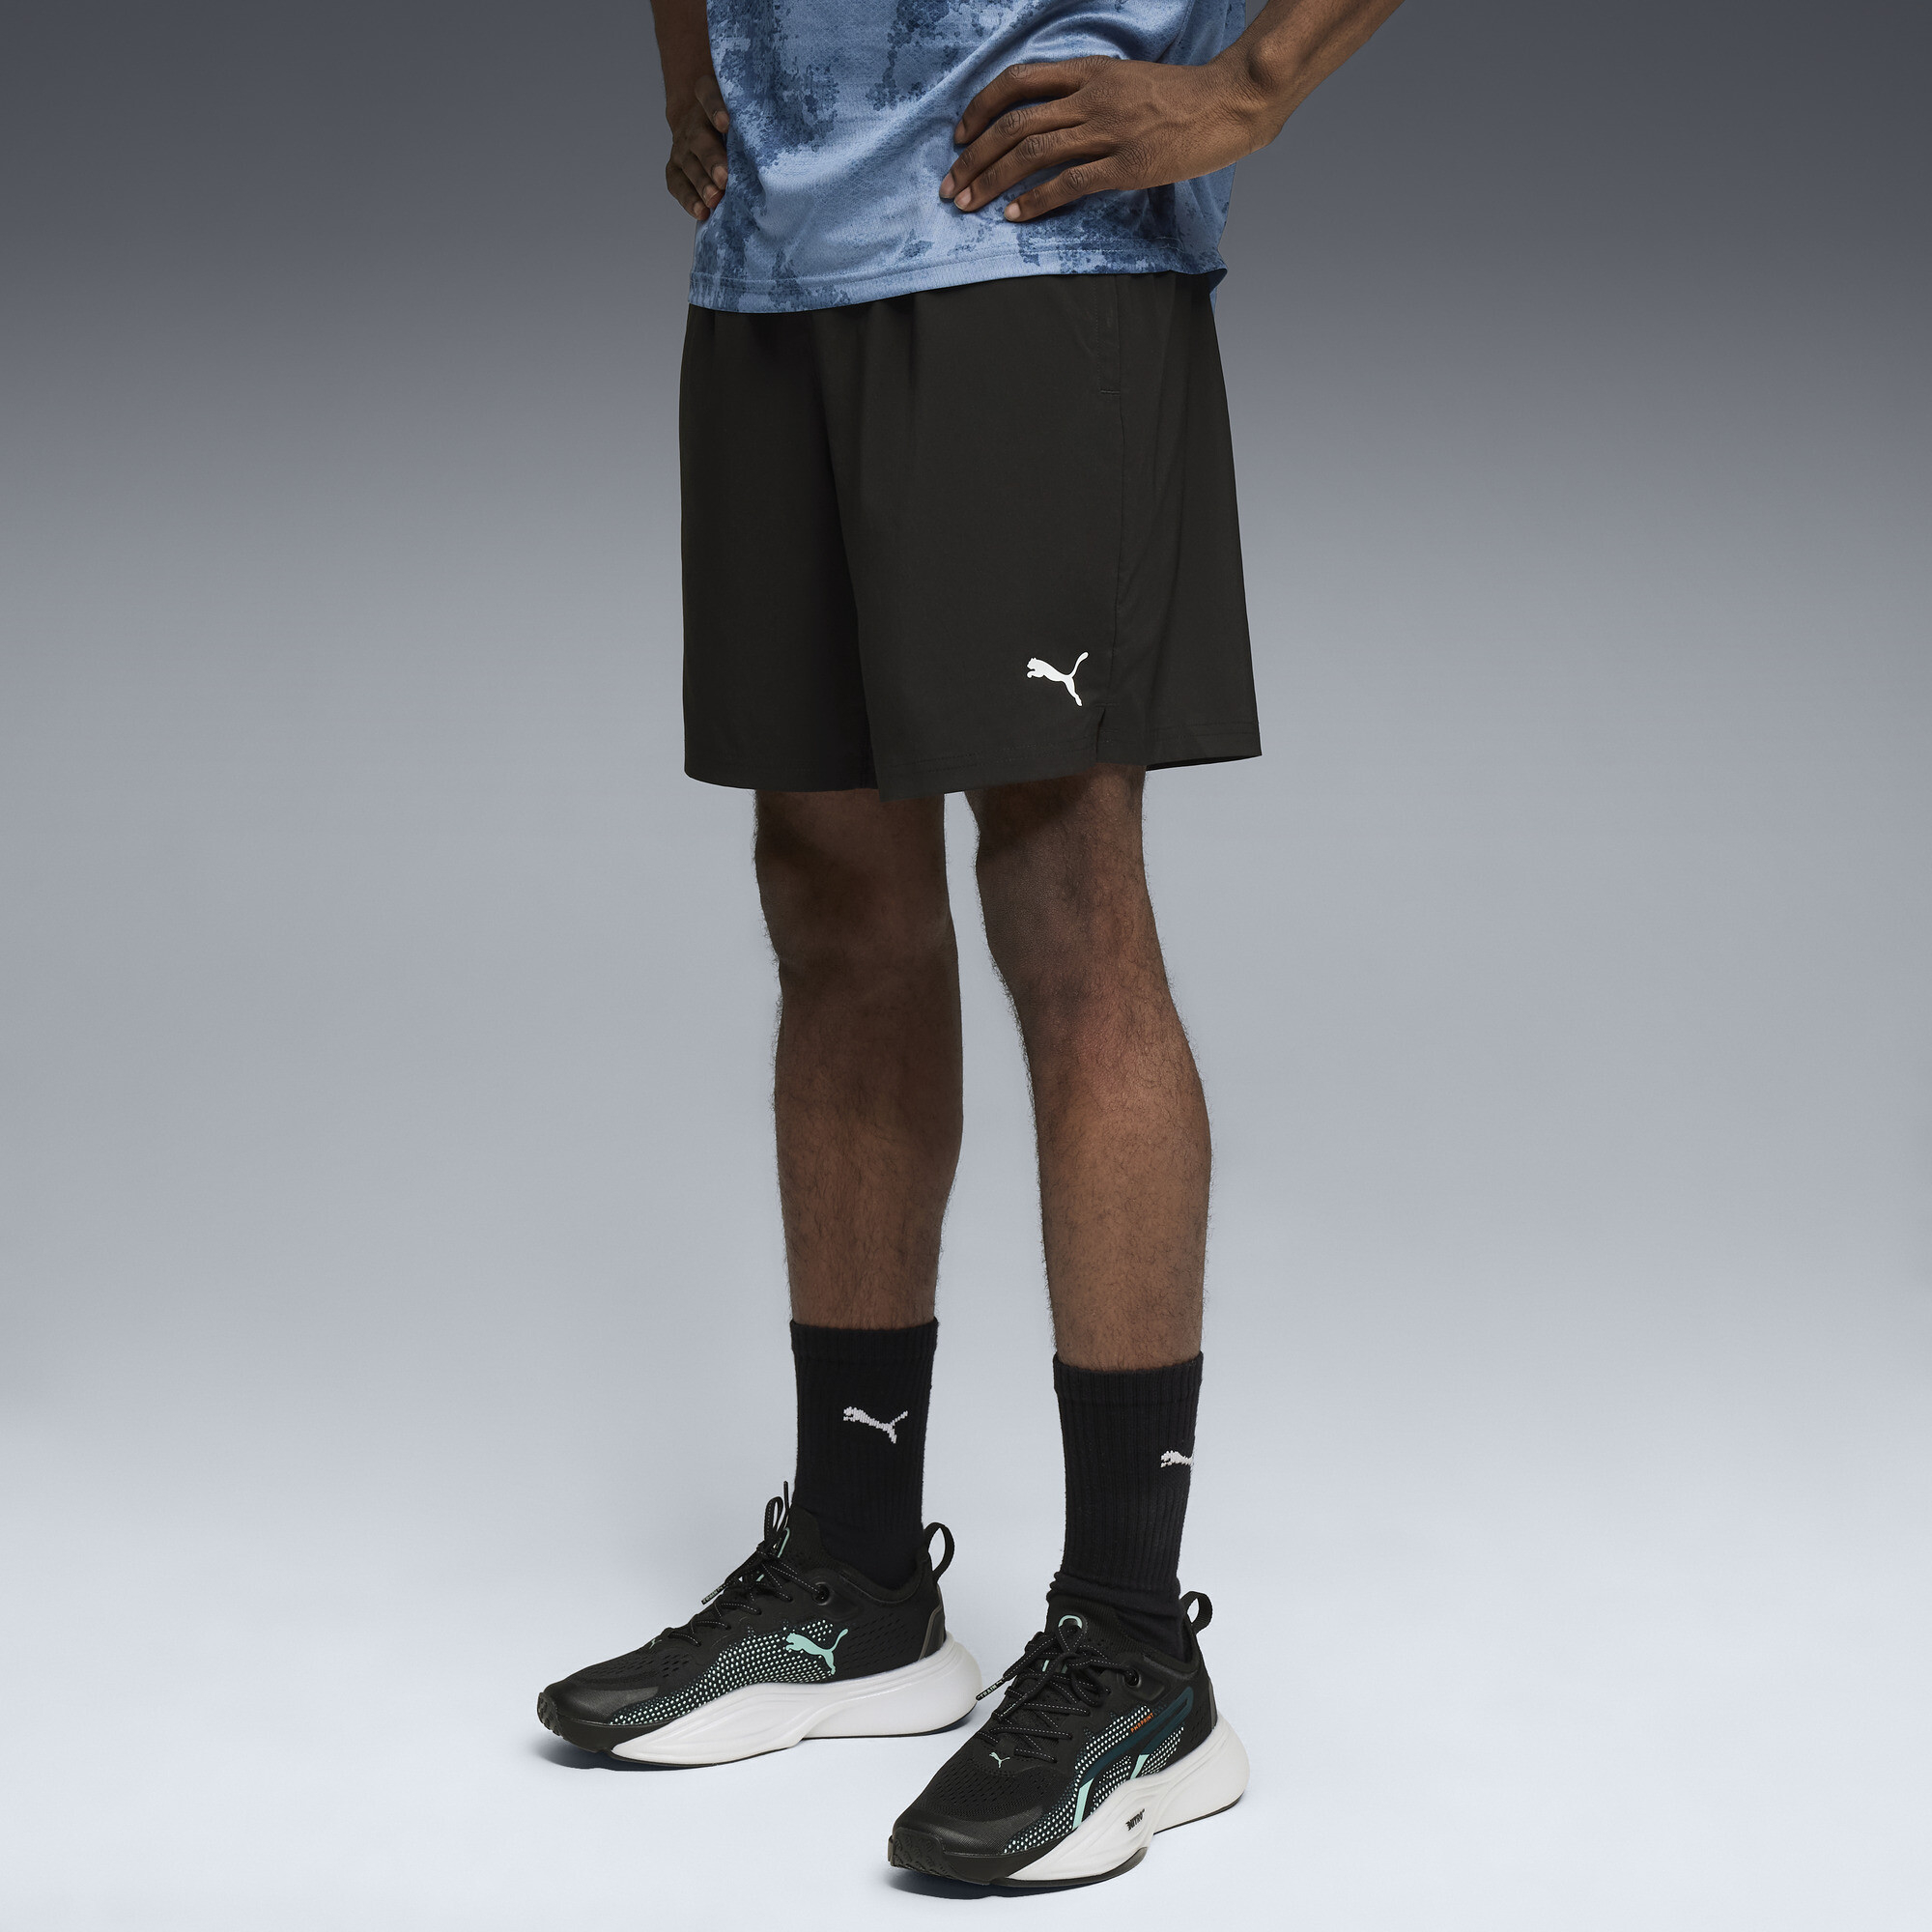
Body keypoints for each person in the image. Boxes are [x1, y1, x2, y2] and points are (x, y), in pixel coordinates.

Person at [537, 0, 1405, 1889]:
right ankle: (856, 1581)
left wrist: (1249, 85)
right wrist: (690, 62)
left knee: (1064, 903)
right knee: (829, 898)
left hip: (1028, 250)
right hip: (778, 260)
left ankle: (1134, 1653)